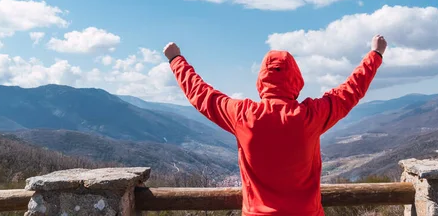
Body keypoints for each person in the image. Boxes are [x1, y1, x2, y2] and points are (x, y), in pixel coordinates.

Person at [163, 35, 387, 216]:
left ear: (261, 80)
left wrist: (176, 60)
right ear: (296, 79)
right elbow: (350, 90)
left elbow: (201, 94)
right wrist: (375, 55)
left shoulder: (243, 115)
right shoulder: (310, 116)